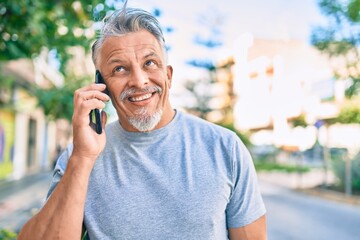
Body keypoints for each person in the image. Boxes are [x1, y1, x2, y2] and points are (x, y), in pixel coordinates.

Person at [18, 2, 267, 239]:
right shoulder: (80, 156)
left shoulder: (226, 148)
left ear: (168, 76)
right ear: (101, 86)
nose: (139, 81)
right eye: (119, 69)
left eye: (149, 63)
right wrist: (82, 159)